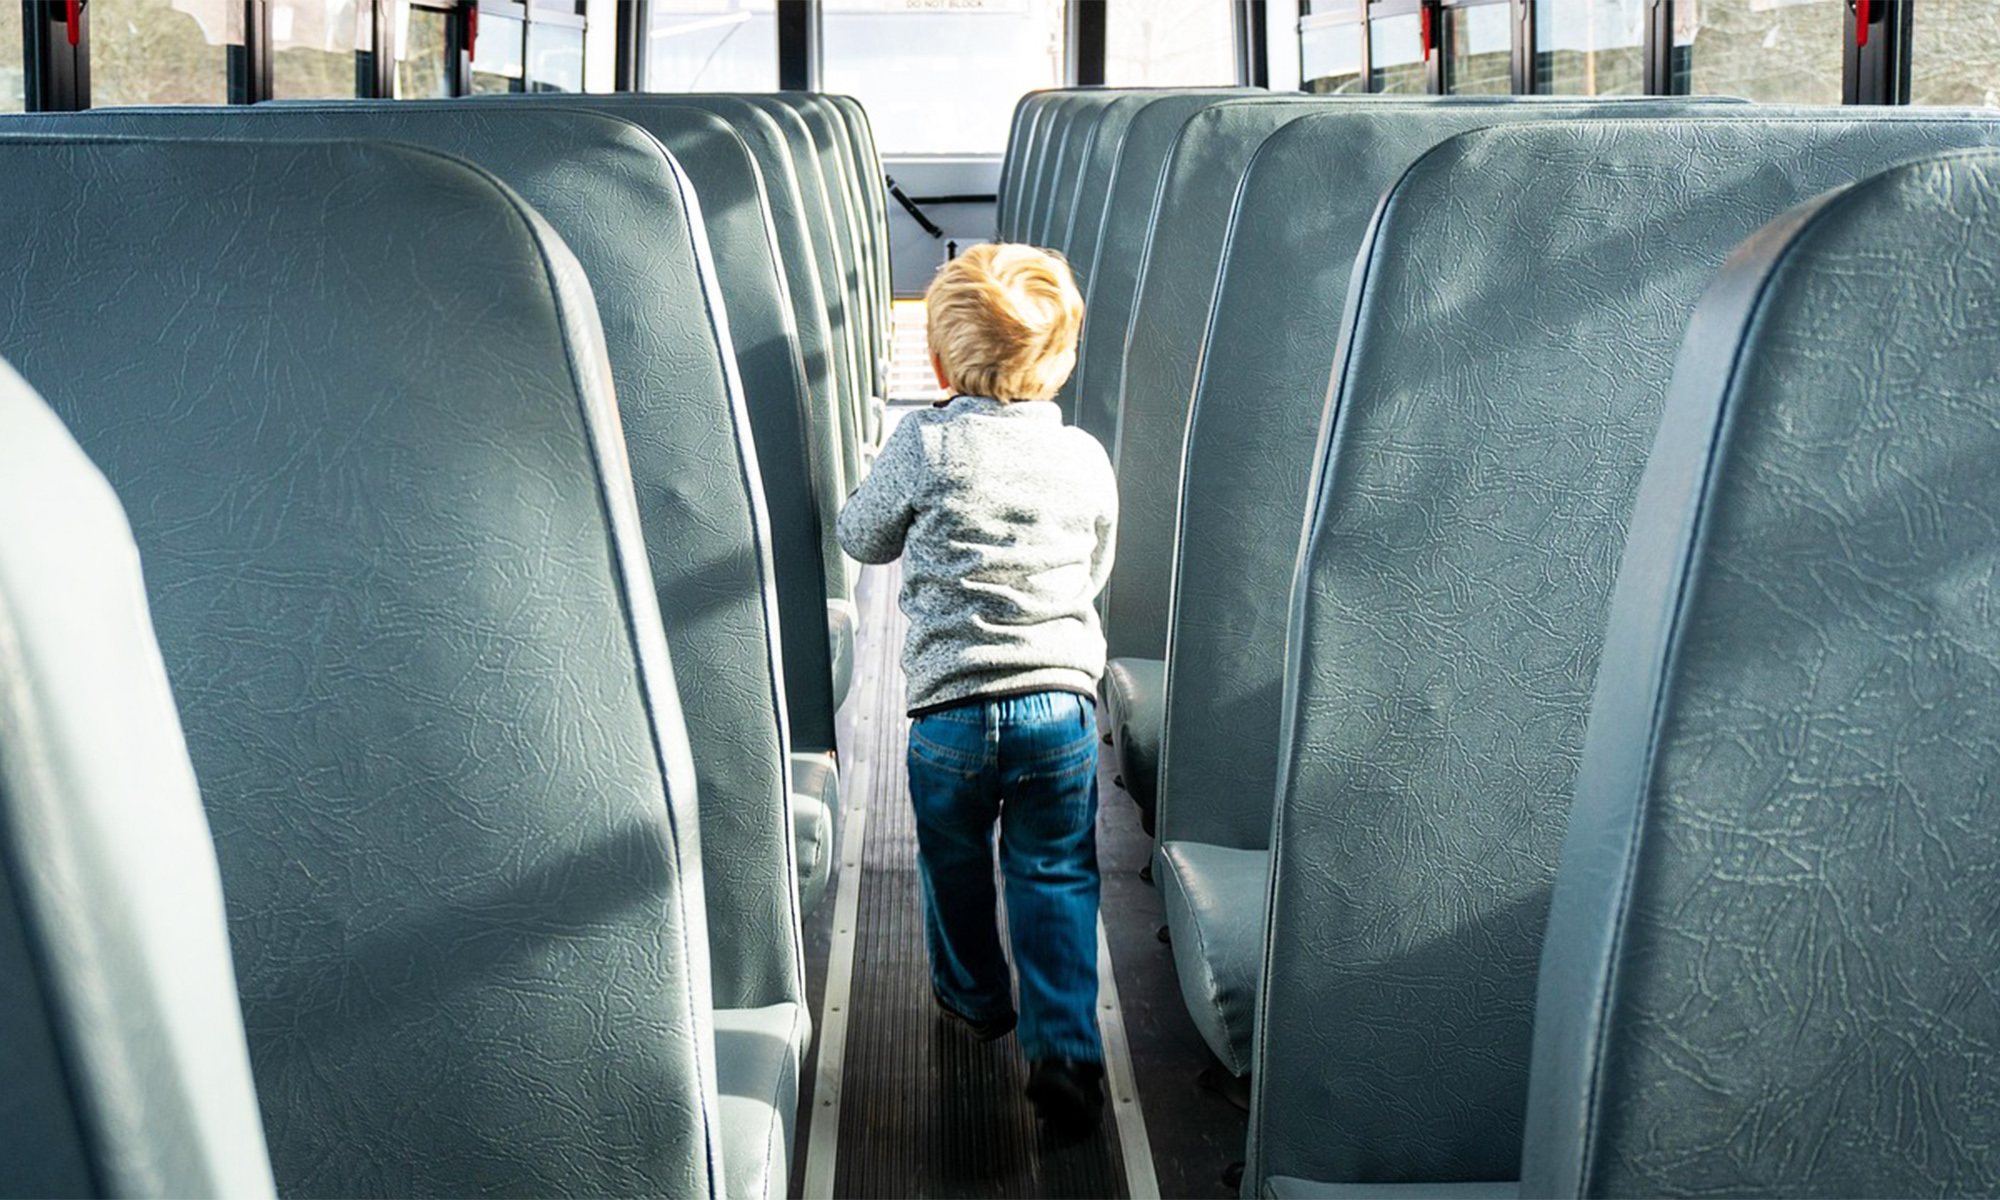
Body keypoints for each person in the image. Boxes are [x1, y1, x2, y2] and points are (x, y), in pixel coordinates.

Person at [836, 242, 1117, 1133]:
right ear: (1064, 357)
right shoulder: (1083, 455)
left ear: (940, 362)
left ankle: (973, 997)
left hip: (949, 718)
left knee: (952, 863)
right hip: (1058, 710)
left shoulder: (927, 442)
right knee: (1056, 870)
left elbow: (862, 537)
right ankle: (1066, 1045)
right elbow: (1095, 565)